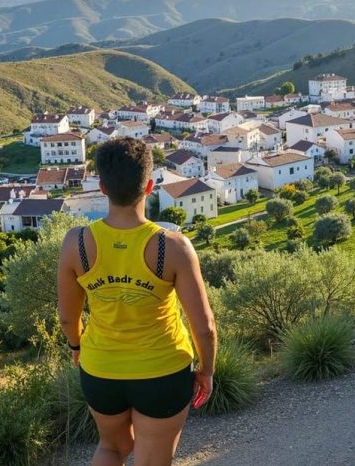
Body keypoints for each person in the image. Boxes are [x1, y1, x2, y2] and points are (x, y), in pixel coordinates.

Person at [57, 137, 217, 466]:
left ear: (101, 187)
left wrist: (76, 347)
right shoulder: (172, 247)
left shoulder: (77, 243)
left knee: (111, 448)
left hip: (101, 370)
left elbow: (67, 318)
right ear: (149, 186)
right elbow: (205, 327)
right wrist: (207, 370)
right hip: (163, 372)